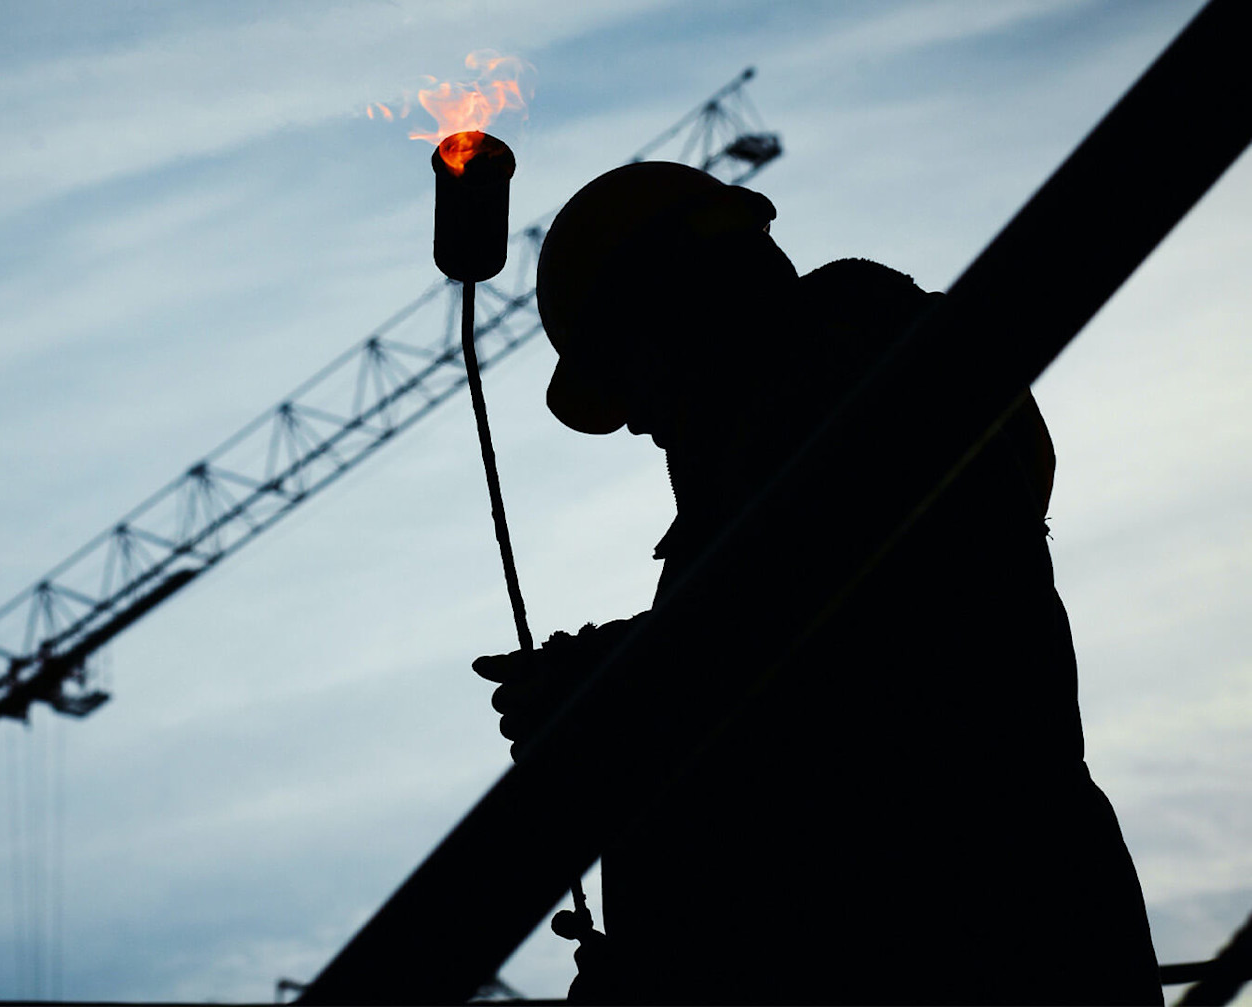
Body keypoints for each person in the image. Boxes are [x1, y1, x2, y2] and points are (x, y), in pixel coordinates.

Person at [473, 161, 1160, 1004]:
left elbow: (831, 691)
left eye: (629, 370)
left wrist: (612, 694)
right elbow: (775, 652)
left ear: (676, 301)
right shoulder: (808, 453)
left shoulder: (870, 401)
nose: (639, 419)